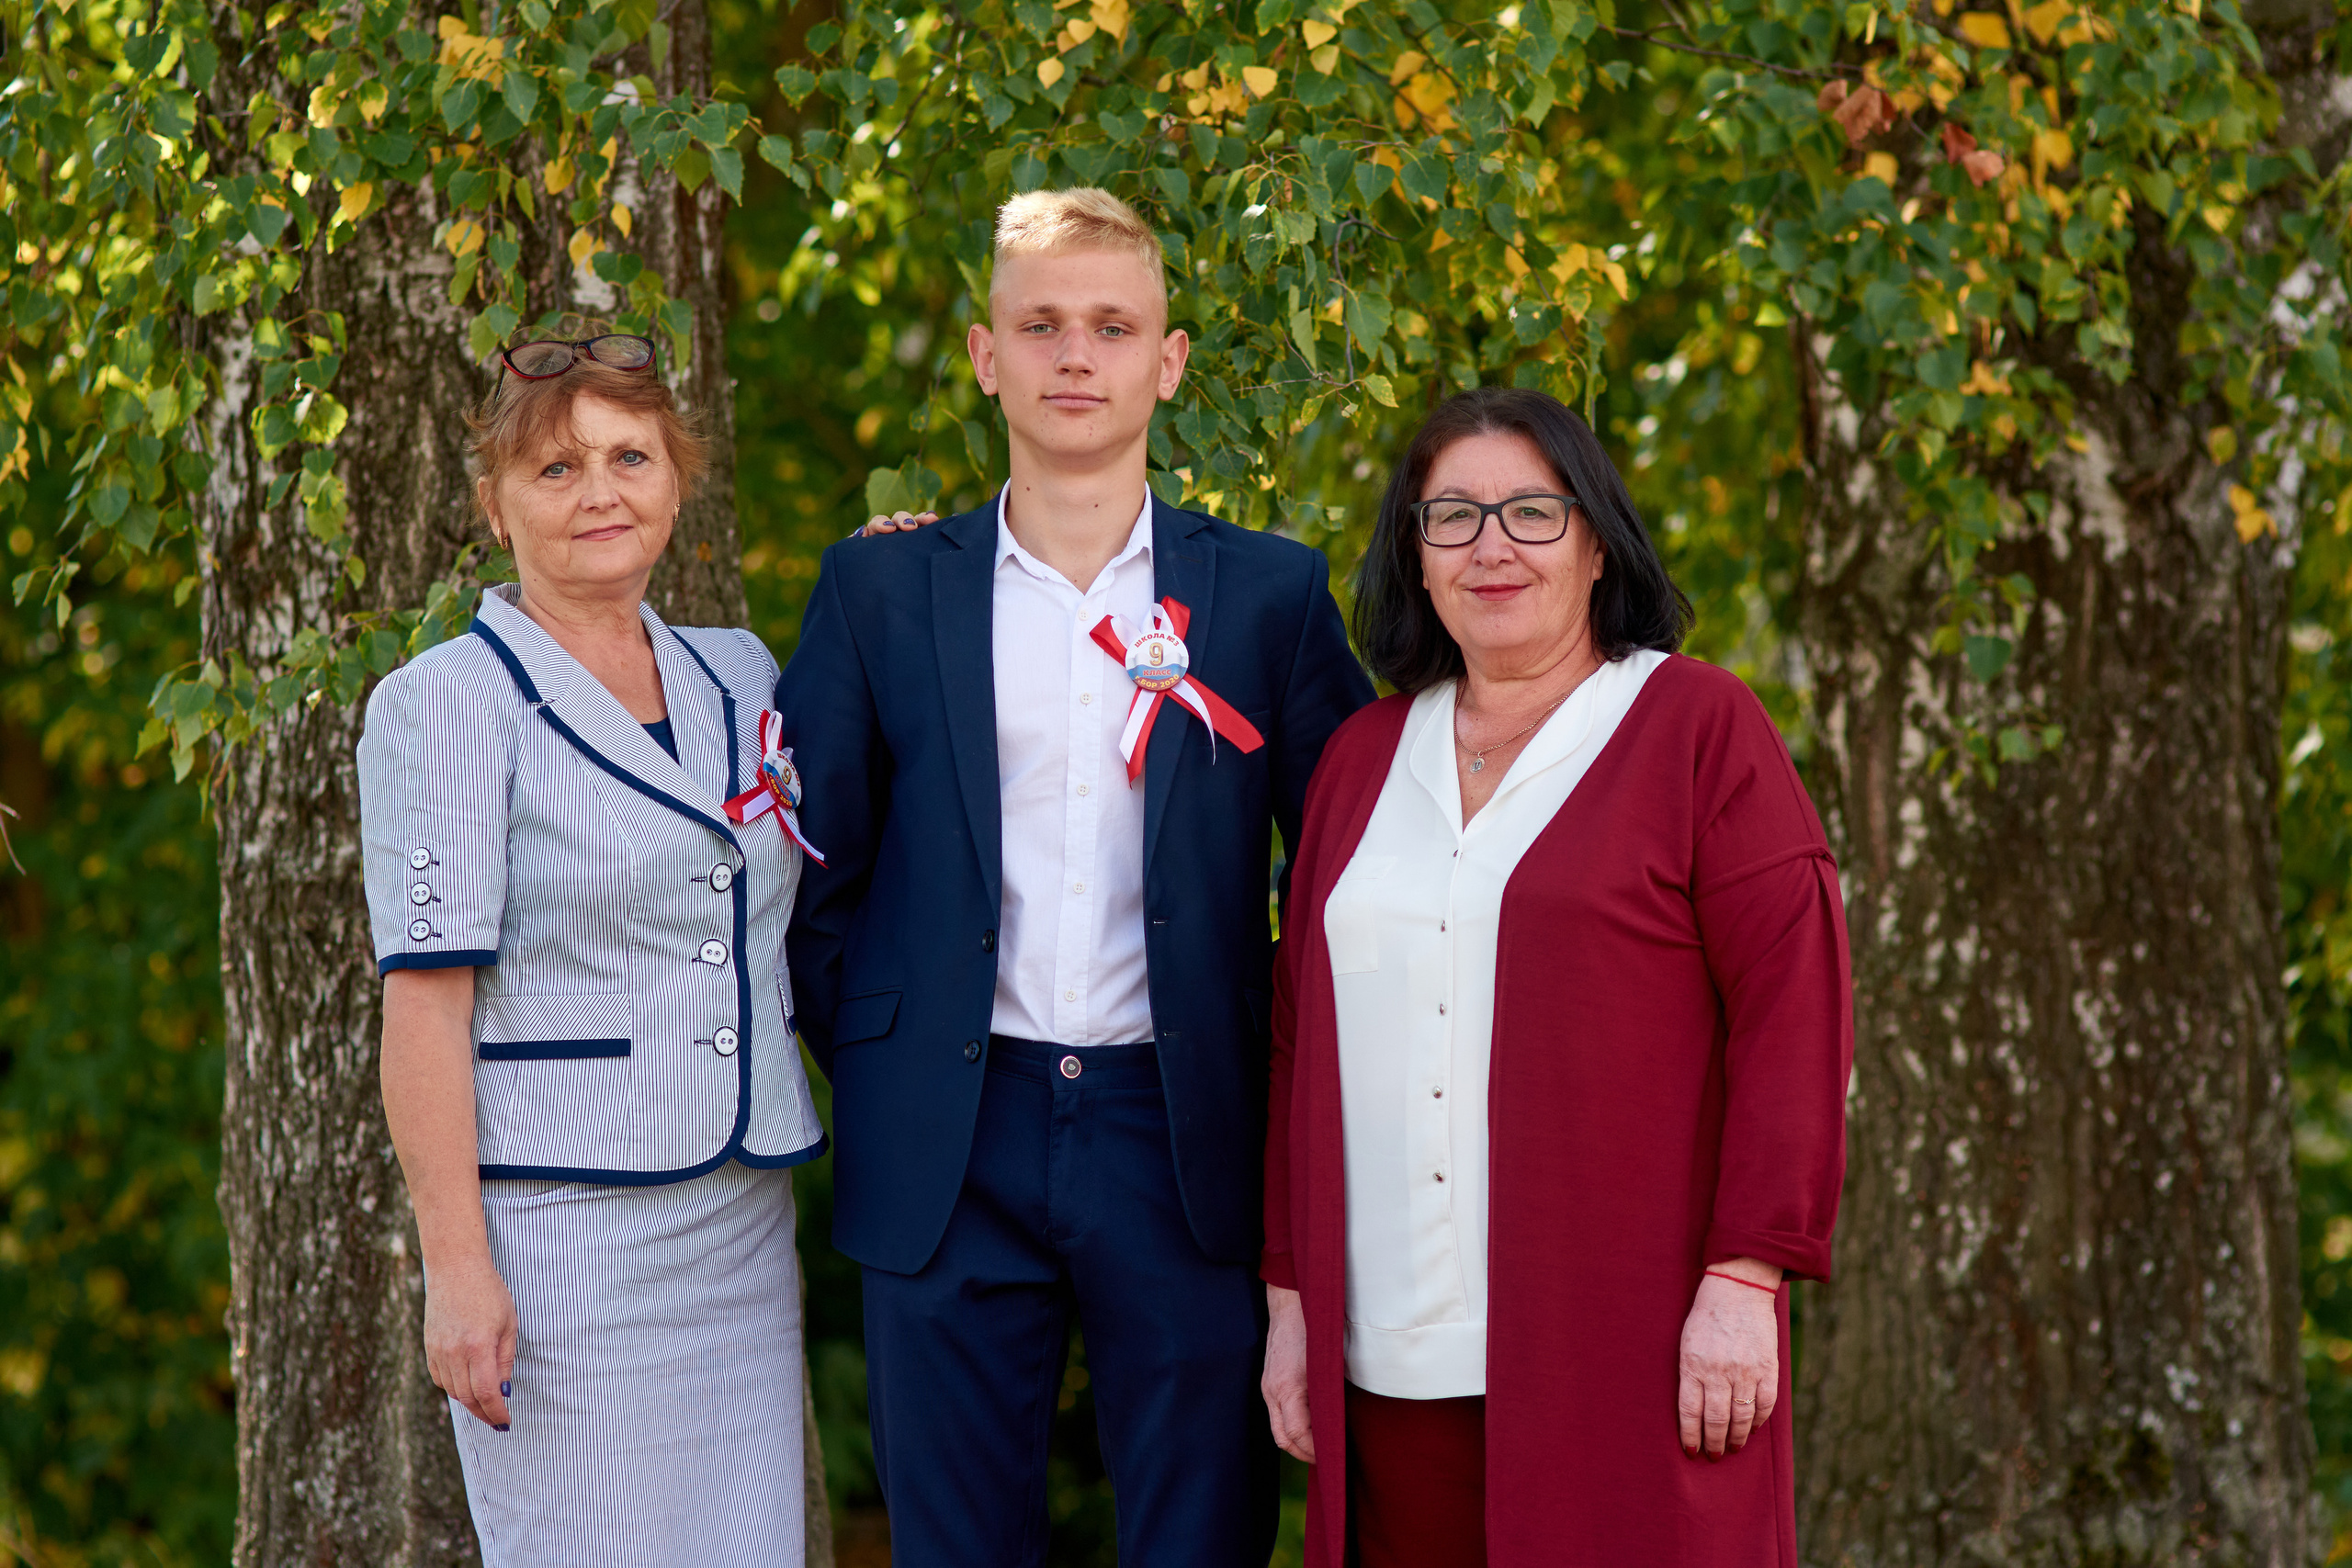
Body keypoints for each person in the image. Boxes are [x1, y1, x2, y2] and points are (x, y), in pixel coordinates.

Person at [775, 187, 1375, 1567]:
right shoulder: (881, 592)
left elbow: (1348, 864)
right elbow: (815, 872)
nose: (1075, 356)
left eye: (1112, 326)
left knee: (1200, 1532)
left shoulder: (1269, 596)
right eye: (1041, 325)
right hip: (950, 1132)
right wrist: (885, 1055)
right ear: (986, 356)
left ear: (1168, 361)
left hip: (1187, 1129)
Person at [1258, 386, 1852, 1567]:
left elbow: (1793, 1013)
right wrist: (1289, 1302)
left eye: (1531, 512)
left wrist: (1747, 1277)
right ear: (1414, 556)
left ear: (1595, 545)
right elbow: (1294, 1046)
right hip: (1387, 1360)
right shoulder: (1361, 759)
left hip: (1630, 1345)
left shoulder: (1695, 726)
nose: (1491, 546)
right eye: (1452, 516)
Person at [358, 337, 830, 1567]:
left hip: (738, 1217)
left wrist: (911, 563)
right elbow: (425, 1008)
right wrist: (456, 1268)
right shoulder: (443, 703)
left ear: (677, 481)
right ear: (496, 504)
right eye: (557, 468)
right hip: (559, 1237)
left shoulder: (742, 673)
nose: (600, 493)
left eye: (630, 457)